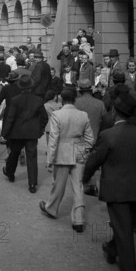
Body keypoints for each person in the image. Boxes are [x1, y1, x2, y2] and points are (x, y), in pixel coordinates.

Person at [83, 95, 136, 271]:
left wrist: (85, 178)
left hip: (116, 189)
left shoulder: (108, 135)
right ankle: (112, 248)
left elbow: (94, 160)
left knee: (123, 229)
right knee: (124, 224)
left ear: (115, 112)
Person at [39, 88, 94, 233]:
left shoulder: (57, 115)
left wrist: (50, 159)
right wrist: (84, 149)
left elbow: (53, 139)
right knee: (78, 186)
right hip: (79, 152)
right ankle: (78, 220)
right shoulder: (83, 115)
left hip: (61, 152)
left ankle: (51, 208)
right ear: (75, 99)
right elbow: (90, 139)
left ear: (61, 99)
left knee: (59, 184)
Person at [1, 74, 48, 193]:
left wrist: (4, 133)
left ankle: (10, 172)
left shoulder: (15, 100)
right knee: (32, 157)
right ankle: (32, 183)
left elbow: (10, 118)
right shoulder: (37, 100)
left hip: (17, 132)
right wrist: (40, 129)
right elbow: (44, 117)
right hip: (32, 132)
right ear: (31, 87)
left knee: (14, 153)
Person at [74, 78, 106, 197]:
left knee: (80, 162)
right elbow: (105, 120)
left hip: (79, 137)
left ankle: (81, 183)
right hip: (95, 136)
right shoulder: (100, 103)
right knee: (91, 162)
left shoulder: (75, 103)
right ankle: (90, 184)